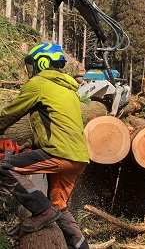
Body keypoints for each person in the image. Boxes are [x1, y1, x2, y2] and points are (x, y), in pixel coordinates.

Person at [0, 43, 90, 249]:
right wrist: (30, 144)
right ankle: (81, 246)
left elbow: (10, 114)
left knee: (5, 166)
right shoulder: (69, 90)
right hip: (79, 157)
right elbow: (57, 125)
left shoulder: (39, 83)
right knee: (60, 207)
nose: (30, 71)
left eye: (32, 65)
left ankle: (42, 211)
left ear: (41, 62)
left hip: (59, 152)